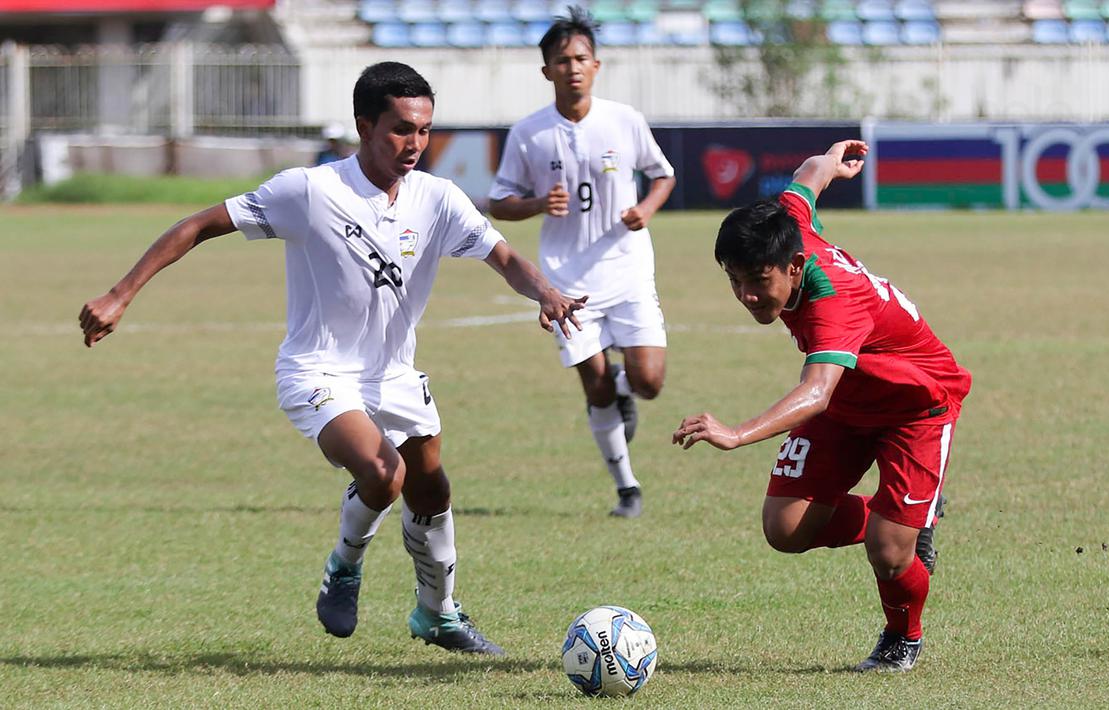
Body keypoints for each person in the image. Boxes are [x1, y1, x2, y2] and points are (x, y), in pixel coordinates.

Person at [78, 62, 586, 655]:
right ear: (364, 126)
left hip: (394, 375)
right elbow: (199, 224)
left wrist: (545, 291)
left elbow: (505, 258)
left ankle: (438, 614)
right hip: (317, 371)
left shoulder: (437, 198)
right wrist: (120, 294)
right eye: (401, 129)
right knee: (383, 472)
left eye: (424, 130)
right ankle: (344, 566)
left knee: (433, 491)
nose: (415, 144)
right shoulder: (310, 191)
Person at [672, 140, 971, 672]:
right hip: (847, 404)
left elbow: (816, 392)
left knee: (888, 552)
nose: (745, 296)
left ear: (795, 266)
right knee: (785, 529)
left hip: (916, 406)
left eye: (757, 281)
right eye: (734, 281)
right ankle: (904, 519)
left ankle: (902, 637)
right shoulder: (786, 226)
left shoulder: (834, 301)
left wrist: (737, 433)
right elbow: (806, 178)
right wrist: (834, 161)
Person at [487, 6, 676, 518]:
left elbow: (663, 175)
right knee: (591, 382)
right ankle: (627, 489)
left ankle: (623, 387)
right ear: (546, 70)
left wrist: (646, 209)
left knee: (650, 382)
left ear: (596, 65)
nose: (572, 67)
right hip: (566, 279)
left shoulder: (624, 120)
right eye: (561, 60)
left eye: (581, 58)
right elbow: (498, 201)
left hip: (628, 267)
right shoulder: (529, 133)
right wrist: (534, 204)